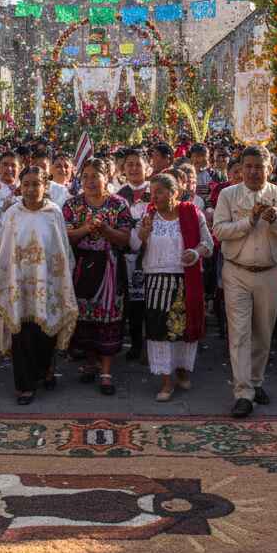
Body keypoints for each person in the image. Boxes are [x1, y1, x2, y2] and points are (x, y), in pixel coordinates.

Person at [212, 145, 277, 418]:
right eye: (248, 166)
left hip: (270, 271)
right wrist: (248, 222)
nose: (252, 172)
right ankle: (243, 393)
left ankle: (255, 381)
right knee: (239, 333)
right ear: (240, 169)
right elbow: (219, 230)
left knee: (263, 332)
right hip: (236, 271)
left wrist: (275, 221)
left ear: (269, 169)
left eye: (259, 167)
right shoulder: (228, 195)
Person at [0, 166, 78, 405]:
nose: (30, 189)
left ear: (45, 186)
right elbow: (4, 249)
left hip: (48, 281)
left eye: (36, 184)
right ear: (20, 186)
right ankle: (24, 385)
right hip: (18, 283)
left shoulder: (53, 212)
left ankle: (46, 368)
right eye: (26, 184)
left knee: (45, 330)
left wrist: (62, 277)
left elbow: (61, 248)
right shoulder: (12, 214)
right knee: (21, 333)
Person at [132, 172, 213, 401]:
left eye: (160, 191)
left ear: (174, 192)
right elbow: (134, 245)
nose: (154, 197)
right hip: (157, 282)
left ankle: (182, 371)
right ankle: (166, 382)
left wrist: (195, 253)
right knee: (160, 330)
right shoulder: (148, 216)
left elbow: (208, 244)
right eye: (152, 192)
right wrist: (144, 232)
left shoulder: (192, 213)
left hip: (186, 280)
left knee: (184, 330)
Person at [64, 157, 133, 395]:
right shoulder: (72, 204)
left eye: (95, 176)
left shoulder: (119, 204)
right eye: (85, 177)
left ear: (107, 177)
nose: (90, 181)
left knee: (109, 317)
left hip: (110, 268)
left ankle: (106, 371)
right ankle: (90, 362)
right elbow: (65, 236)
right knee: (84, 317)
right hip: (81, 267)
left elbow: (124, 239)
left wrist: (105, 230)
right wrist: (86, 229)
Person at [116, 148, 152, 362]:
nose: (134, 168)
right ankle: (136, 344)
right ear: (123, 169)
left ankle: (152, 345)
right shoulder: (118, 195)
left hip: (153, 252)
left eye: (138, 164)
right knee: (133, 302)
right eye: (129, 164)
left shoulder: (155, 191)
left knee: (152, 300)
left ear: (147, 168)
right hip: (128, 254)